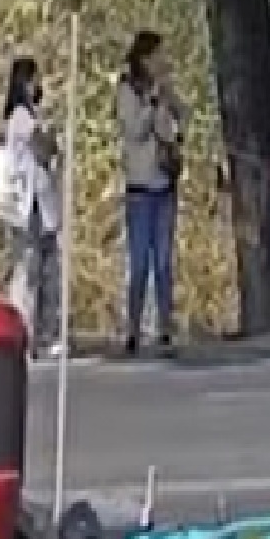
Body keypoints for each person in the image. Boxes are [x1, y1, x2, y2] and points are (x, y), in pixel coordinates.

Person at [0, 56, 63, 356]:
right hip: (25, 202)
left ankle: (42, 333)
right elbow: (42, 148)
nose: (37, 86)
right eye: (33, 81)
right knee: (27, 269)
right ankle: (26, 333)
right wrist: (50, 137)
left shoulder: (30, 114)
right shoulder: (20, 115)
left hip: (38, 201)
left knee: (44, 268)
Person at [116, 29, 185, 356]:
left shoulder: (165, 89)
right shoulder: (127, 90)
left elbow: (180, 121)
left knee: (164, 261)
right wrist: (152, 101)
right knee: (140, 261)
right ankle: (133, 327)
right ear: (144, 58)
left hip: (164, 183)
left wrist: (173, 106)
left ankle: (165, 326)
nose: (162, 61)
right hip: (140, 186)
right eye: (157, 55)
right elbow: (134, 130)